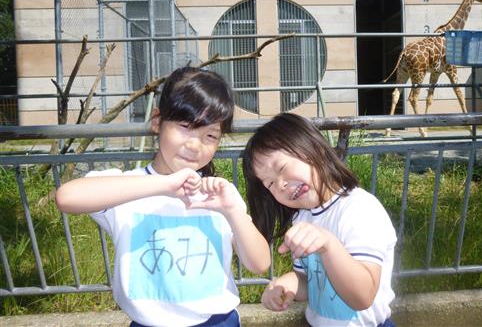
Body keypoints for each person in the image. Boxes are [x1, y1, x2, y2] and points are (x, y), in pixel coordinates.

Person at [56, 66, 271, 327]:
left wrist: (232, 211)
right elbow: (66, 197)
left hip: (217, 321)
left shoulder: (219, 194)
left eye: (210, 135)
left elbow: (260, 264)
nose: (194, 145)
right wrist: (163, 185)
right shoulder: (129, 189)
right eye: (185, 126)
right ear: (157, 121)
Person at [242, 113, 397, 327]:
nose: (281, 184)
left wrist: (329, 245)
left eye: (282, 168)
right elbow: (310, 282)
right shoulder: (303, 217)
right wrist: (288, 284)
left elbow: (362, 296)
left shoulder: (360, 208)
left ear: (315, 148)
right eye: (269, 184)